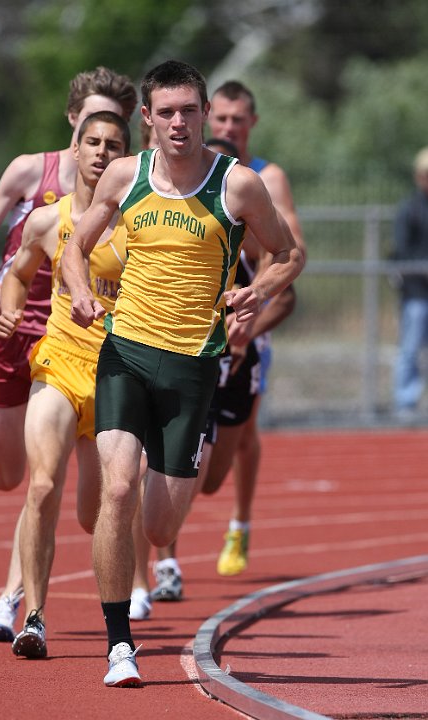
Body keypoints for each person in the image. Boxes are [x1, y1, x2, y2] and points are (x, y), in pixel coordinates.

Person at [61, 60, 304, 687]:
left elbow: (288, 254)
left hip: (194, 367)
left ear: (202, 114)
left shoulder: (238, 186)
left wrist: (259, 292)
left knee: (159, 523)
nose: (178, 122)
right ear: (147, 118)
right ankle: (120, 645)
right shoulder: (126, 174)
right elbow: (74, 248)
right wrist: (83, 292)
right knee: (118, 489)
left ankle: (181, 465)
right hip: (125, 351)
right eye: (165, 111)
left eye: (188, 111)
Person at [0, 68, 137, 641]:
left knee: (96, 513)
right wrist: (1, 301)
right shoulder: (42, 200)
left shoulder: (141, 220)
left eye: (113, 143)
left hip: (114, 372)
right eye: (93, 139)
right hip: (49, 354)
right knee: (28, 482)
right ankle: (28, 613)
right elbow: (5, 264)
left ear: (126, 151)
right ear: (75, 131)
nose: (101, 151)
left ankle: (108, 577)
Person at [203, 79, 305, 578]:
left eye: (236, 120)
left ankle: (240, 525)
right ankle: (165, 555)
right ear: (207, 118)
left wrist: (251, 318)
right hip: (197, 320)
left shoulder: (268, 176)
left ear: (252, 123)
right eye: (220, 119)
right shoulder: (191, 171)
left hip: (252, 313)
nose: (228, 127)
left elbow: (289, 256)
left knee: (243, 434)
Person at [392, 146, 428, 419]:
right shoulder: (410, 209)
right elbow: (402, 251)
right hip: (417, 293)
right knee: (411, 347)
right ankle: (406, 400)